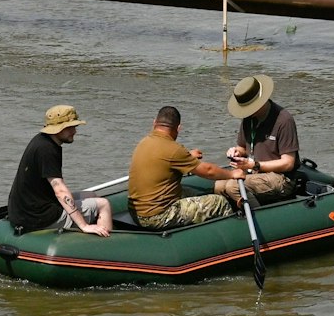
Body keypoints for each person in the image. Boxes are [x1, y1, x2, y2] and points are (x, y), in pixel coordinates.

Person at [127, 105, 244, 229]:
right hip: (157, 216)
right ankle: (232, 232)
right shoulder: (174, 149)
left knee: (195, 193)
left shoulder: (143, 142)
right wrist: (232, 174)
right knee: (219, 202)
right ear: (178, 128)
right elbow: (208, 171)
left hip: (136, 213)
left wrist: (188, 156)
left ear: (154, 122)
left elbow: (164, 160)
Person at [8, 105, 111, 236]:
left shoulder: (41, 140)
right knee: (104, 205)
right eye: (70, 128)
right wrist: (84, 225)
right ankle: (106, 244)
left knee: (92, 194)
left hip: (28, 210)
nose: (74, 131)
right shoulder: (48, 150)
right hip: (38, 217)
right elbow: (60, 191)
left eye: (75, 127)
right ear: (58, 129)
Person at [220, 74, 301, 206]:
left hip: (280, 177)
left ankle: (257, 214)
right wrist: (236, 152)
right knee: (219, 185)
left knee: (233, 186)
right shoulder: (249, 119)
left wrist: (255, 165)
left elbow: (288, 163)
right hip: (254, 172)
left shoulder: (284, 120)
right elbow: (242, 147)